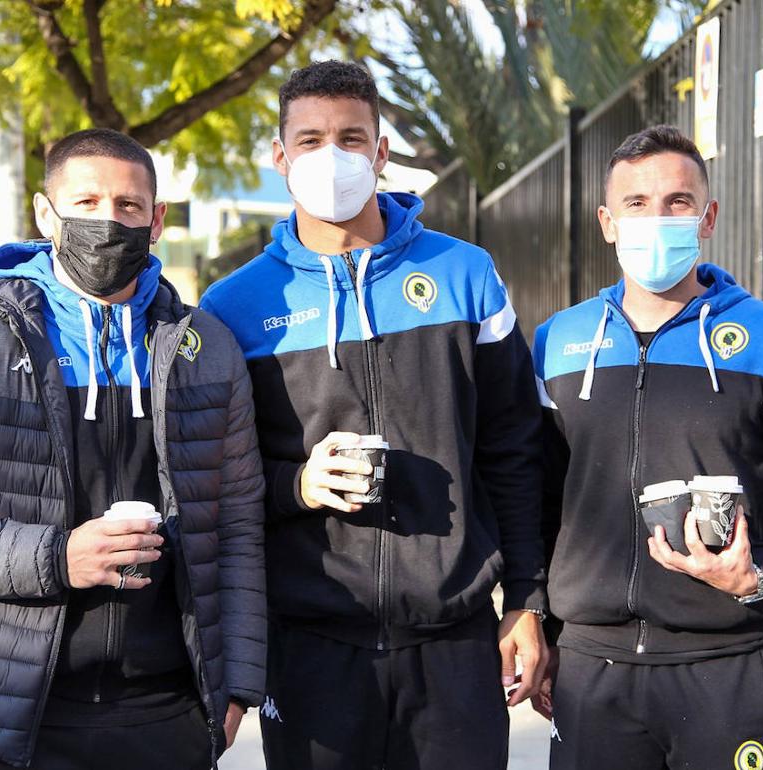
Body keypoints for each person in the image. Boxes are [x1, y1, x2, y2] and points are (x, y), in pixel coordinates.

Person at [0, 128, 266, 769]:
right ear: (44, 213)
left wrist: (238, 687)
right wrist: (57, 557)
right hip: (13, 717)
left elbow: (241, 525)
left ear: (157, 220)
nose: (108, 222)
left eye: (129, 206)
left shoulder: (206, 347)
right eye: (85, 204)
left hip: (168, 715)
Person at [199, 60, 548, 770]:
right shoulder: (233, 307)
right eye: (311, 140)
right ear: (280, 157)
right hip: (309, 649)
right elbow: (215, 483)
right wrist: (298, 483)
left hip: (454, 641)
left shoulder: (465, 274)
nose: (333, 156)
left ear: (382, 153)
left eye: (352, 138)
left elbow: (515, 446)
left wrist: (527, 599)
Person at [531, 125, 763, 770]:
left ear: (706, 216)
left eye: (677, 202)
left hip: (726, 668)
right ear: (606, 222)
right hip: (591, 670)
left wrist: (759, 569)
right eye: (636, 203)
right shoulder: (556, 343)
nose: (657, 219)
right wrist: (534, 617)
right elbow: (533, 498)